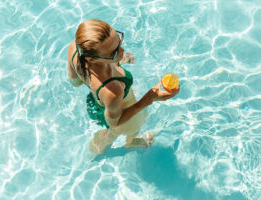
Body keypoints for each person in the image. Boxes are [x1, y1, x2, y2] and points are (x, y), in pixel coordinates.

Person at [67, 19, 180, 154]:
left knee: (110, 131)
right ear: (92, 59)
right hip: (121, 114)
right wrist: (150, 98)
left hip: (100, 102)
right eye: (114, 52)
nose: (122, 51)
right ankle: (129, 143)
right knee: (126, 129)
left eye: (119, 42)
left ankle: (98, 148)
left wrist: (114, 61)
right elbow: (116, 123)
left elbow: (74, 81)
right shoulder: (112, 91)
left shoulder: (74, 48)